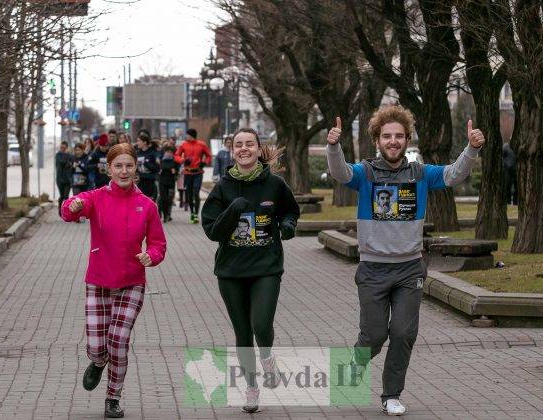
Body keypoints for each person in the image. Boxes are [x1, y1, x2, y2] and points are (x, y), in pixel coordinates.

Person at [326, 105, 484, 416]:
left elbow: (454, 174)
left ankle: (391, 395)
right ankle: (356, 362)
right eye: (387, 136)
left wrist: (472, 148)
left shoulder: (420, 174)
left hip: (410, 268)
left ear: (407, 140)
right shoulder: (365, 173)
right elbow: (340, 172)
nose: (393, 141)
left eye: (399, 136)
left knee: (403, 332)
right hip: (372, 269)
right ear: (377, 140)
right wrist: (333, 146)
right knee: (373, 336)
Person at [60, 143, 166, 419]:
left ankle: (113, 397)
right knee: (98, 346)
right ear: (109, 169)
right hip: (98, 281)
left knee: (118, 340)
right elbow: (68, 213)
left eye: (128, 165)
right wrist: (74, 204)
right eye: (118, 166)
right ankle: (97, 361)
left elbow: (158, 244)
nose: (123, 170)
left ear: (136, 169)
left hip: (132, 283)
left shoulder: (147, 205)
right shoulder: (96, 197)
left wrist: (151, 256)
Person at [201, 128, 300, 413]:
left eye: (249, 144)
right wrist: (233, 210)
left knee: (261, 324)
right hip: (231, 270)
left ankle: (267, 355)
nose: (244, 149)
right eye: (238, 145)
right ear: (233, 152)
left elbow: (290, 211)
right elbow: (212, 231)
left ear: (258, 149)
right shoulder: (222, 187)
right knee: (242, 332)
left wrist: (288, 226)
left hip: (266, 266)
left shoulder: (275, 184)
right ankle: (252, 388)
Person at [174, 128, 212, 223]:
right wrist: (183, 160)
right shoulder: (184, 145)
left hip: (198, 172)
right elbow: (176, 156)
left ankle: (196, 214)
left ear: (192, 136)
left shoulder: (202, 144)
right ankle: (192, 213)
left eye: (188, 135)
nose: (186, 137)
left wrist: (204, 162)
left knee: (196, 192)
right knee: (189, 194)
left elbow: (209, 156)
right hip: (188, 173)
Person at [136, 133, 160, 202]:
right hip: (140, 182)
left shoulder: (152, 153)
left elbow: (157, 168)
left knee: (150, 203)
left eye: (139, 141)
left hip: (150, 182)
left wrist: (147, 164)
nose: (137, 143)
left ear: (144, 142)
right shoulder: (137, 153)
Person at [158, 145, 178, 222]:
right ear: (164, 152)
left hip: (171, 182)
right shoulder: (161, 160)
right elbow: (158, 170)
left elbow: (177, 171)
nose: (169, 153)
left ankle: (167, 215)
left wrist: (175, 172)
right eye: (167, 152)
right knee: (163, 198)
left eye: (170, 152)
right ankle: (160, 213)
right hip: (162, 182)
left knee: (169, 199)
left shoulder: (174, 161)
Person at [55, 141, 73, 216]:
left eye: (64, 148)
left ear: (66, 148)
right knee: (62, 196)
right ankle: (60, 208)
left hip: (68, 179)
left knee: (66, 196)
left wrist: (68, 163)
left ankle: (65, 210)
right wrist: (66, 156)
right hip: (60, 179)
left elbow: (70, 164)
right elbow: (62, 162)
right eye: (61, 147)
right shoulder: (58, 155)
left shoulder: (70, 155)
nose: (62, 149)